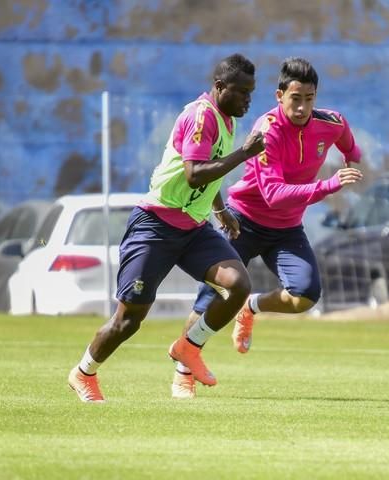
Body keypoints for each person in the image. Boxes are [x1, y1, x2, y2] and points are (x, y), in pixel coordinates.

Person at [68, 53, 265, 403]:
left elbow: (210, 171)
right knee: (128, 322)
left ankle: (188, 348)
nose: (248, 99)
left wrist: (220, 211)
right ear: (219, 87)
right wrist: (244, 155)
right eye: (242, 92)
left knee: (238, 286)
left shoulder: (225, 119)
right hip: (155, 225)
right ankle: (83, 372)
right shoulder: (201, 116)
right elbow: (194, 174)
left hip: (192, 228)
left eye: (251, 92)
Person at [171, 56, 363, 398]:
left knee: (306, 296)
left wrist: (353, 159)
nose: (302, 107)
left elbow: (349, 143)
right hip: (242, 222)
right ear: (279, 96)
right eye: (295, 99)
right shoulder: (267, 130)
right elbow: (274, 195)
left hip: (287, 229)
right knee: (210, 299)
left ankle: (251, 307)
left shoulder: (331, 122)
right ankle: (183, 371)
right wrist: (331, 184)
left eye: (309, 99)